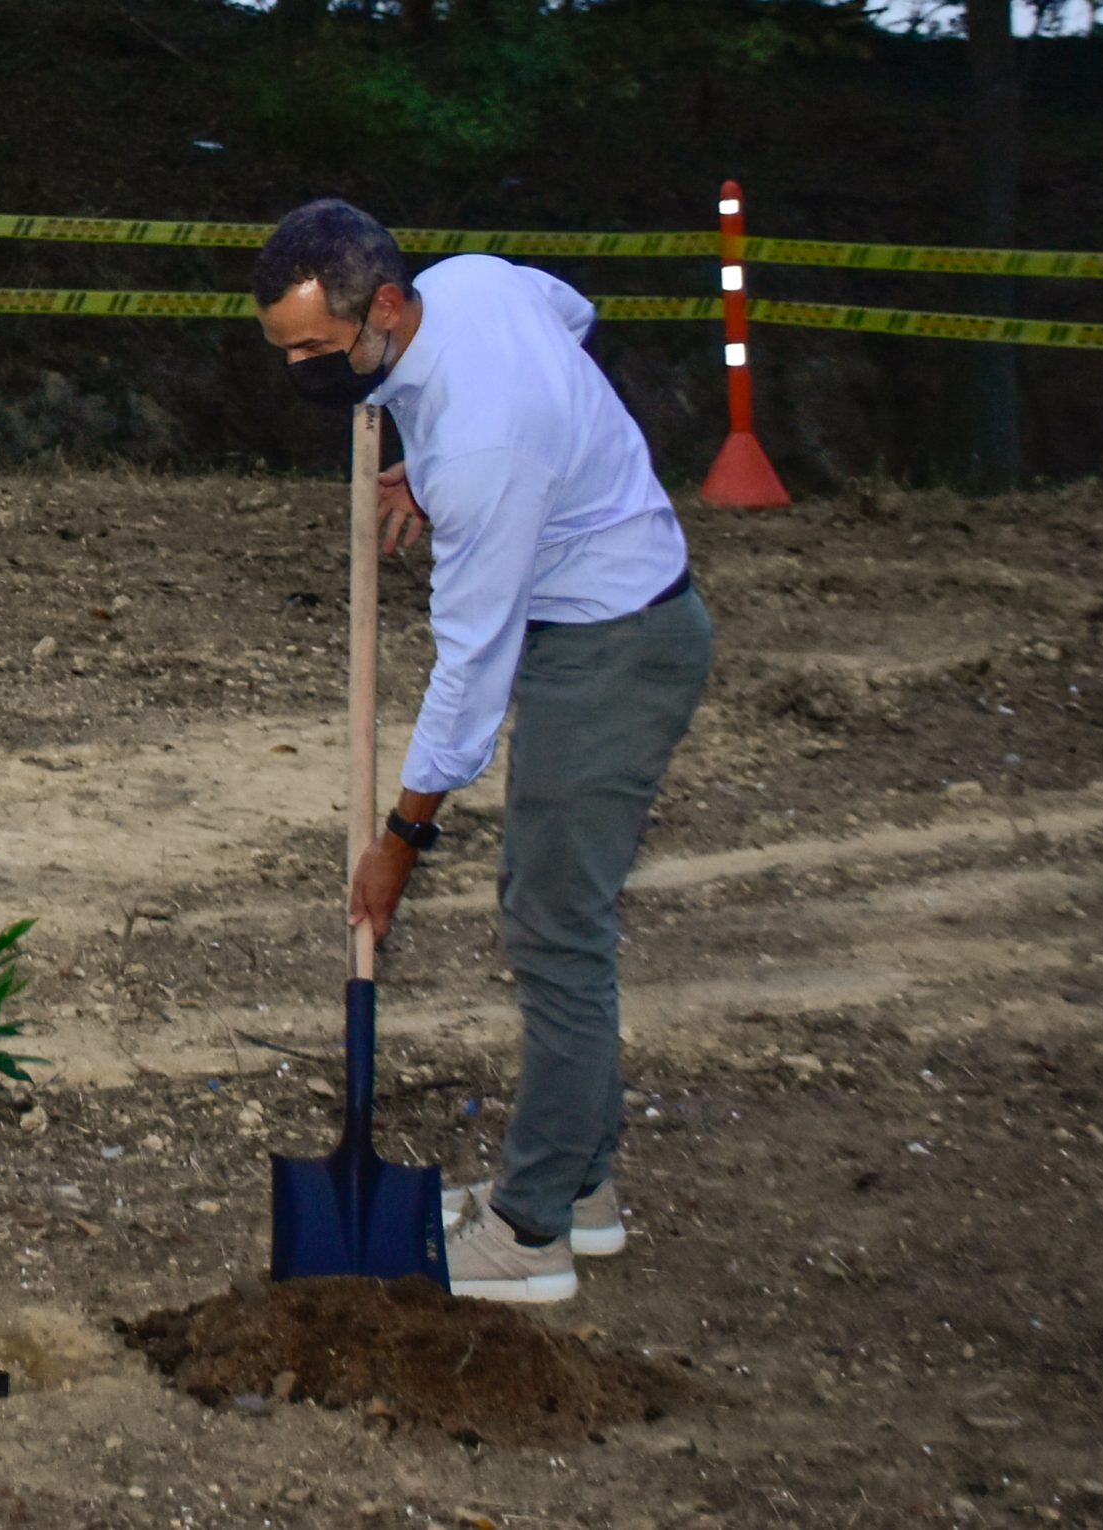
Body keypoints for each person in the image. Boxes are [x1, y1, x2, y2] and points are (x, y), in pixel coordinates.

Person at [249, 200, 713, 1303]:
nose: (303, 369)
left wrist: (403, 836)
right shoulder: (477, 285)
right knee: (551, 913)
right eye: (286, 349)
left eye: (319, 347)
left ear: (388, 309)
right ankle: (581, 1190)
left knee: (556, 930)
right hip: (598, 620)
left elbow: (470, 666)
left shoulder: (480, 447)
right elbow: (572, 314)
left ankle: (532, 1232)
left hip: (612, 648)